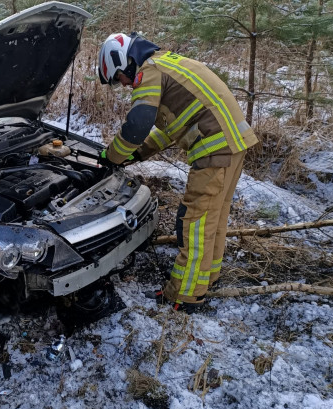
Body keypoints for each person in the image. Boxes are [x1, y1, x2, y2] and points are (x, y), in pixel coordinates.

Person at [98, 32, 258, 313]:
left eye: (118, 78)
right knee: (213, 218)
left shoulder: (149, 71)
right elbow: (172, 130)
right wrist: (137, 154)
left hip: (215, 148)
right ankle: (207, 277)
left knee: (193, 223)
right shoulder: (167, 64)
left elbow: (137, 125)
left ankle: (184, 296)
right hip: (233, 144)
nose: (122, 85)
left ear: (124, 62)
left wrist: (111, 158)